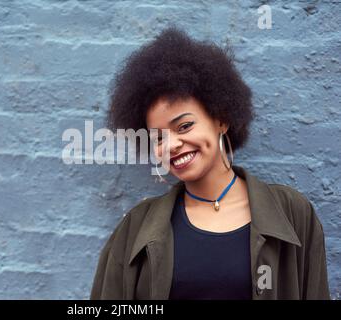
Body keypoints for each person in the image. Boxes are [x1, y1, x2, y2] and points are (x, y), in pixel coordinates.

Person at [90, 26, 330, 300]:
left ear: (221, 119)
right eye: (158, 138)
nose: (171, 145)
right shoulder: (134, 229)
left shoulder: (293, 214)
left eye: (184, 126)